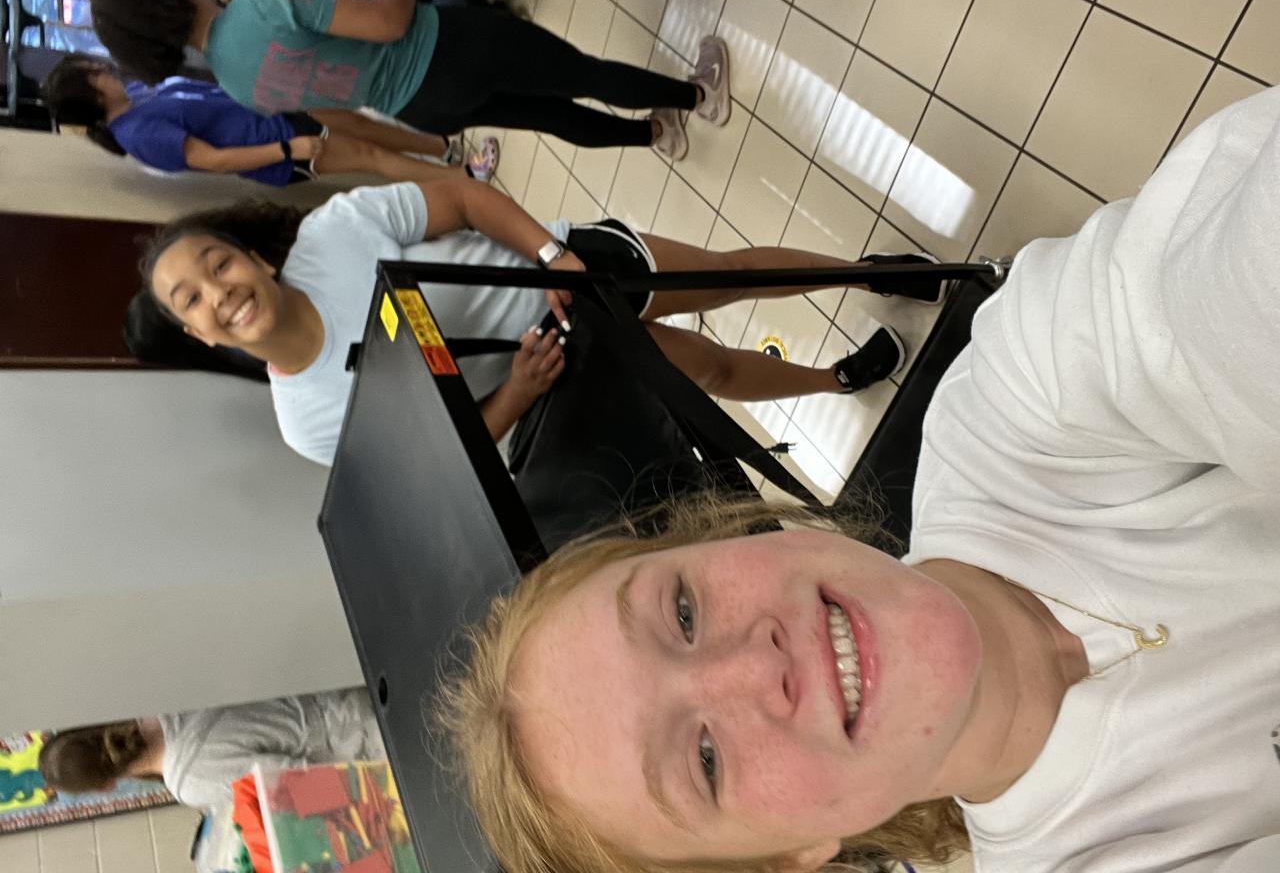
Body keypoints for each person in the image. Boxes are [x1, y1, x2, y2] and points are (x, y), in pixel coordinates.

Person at [436, 85, 1280, 873]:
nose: (753, 665)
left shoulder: (1020, 392)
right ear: (792, 856)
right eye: (705, 761)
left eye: (683, 611)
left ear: (717, 532)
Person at [140, 173, 939, 465]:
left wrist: (553, 253)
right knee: (710, 371)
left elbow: (462, 198)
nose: (218, 291)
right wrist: (518, 393)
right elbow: (442, 451)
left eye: (218, 263)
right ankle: (835, 380)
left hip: (566, 274)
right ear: (200, 334)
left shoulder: (332, 233)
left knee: (722, 277)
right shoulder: (306, 423)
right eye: (192, 300)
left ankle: (867, 274)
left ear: (255, 258)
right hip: (555, 372)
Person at [89, 0, 727, 160]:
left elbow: (338, 115)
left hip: (423, 107)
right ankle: (699, 95)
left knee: (551, 118)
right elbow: (389, 23)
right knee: (579, 74)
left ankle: (655, 135)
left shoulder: (233, 82)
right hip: (447, 47)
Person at [43, 53, 500, 187]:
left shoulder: (139, 95)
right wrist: (287, 150)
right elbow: (215, 161)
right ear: (90, 97)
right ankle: (465, 177)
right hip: (279, 144)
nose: (101, 68)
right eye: (92, 74)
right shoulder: (138, 136)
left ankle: (444, 147)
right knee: (369, 155)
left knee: (364, 126)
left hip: (276, 109)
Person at [38, 688, 384, 812]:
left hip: (371, 739)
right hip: (354, 684)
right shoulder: (162, 693)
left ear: (106, 786)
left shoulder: (190, 779)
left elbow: (318, 787)